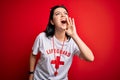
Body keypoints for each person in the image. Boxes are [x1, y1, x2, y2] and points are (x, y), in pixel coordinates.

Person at [29, 5, 94, 80]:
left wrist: (74, 35)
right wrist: (31, 73)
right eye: (58, 13)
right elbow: (33, 54)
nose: (63, 15)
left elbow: (90, 58)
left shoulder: (72, 41)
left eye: (65, 13)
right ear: (52, 21)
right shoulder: (42, 37)